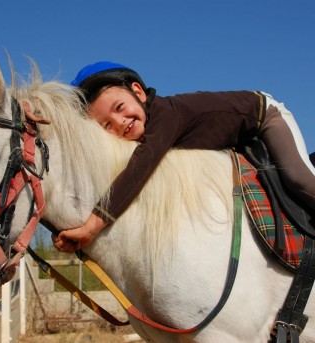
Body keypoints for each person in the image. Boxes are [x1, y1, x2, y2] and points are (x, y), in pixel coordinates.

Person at [52, 61, 315, 254]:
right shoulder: (148, 131)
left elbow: (137, 172)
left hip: (265, 117)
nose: (120, 122)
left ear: (139, 92)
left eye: (120, 108)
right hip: (237, 141)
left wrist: (91, 227)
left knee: (298, 179)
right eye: (107, 126)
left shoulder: (166, 115)